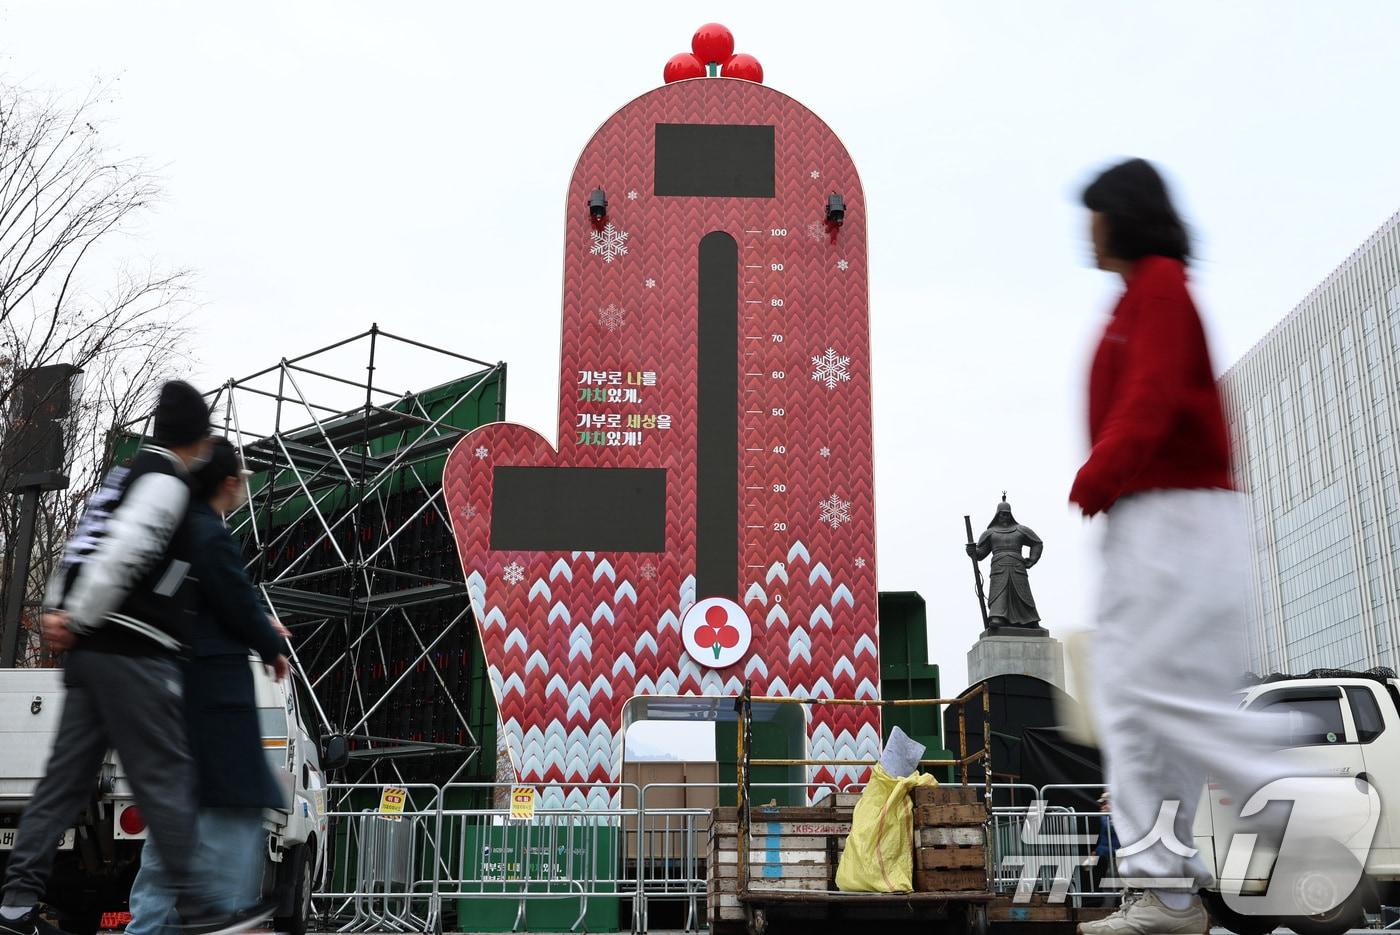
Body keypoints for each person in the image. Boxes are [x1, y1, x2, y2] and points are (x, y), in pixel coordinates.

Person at [1070, 159, 1285, 935]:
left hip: (1173, 513)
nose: (1085, 230)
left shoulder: (1159, 285)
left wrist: (1099, 473)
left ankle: (1298, 800)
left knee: (1156, 698)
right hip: (1148, 518)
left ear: (1122, 216)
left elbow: (1152, 394)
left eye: (1094, 213)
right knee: (1132, 711)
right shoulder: (1137, 295)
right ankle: (1163, 894)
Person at [0, 382, 216, 935]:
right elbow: (125, 551)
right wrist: (84, 613)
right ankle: (206, 914)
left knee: (62, 783)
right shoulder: (165, 483)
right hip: (132, 649)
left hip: (90, 655)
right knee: (165, 780)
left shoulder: (121, 478)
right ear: (197, 437)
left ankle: (17, 904)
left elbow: (82, 543)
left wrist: (59, 611)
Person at [126, 438, 291, 935]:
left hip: (174, 708)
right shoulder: (210, 535)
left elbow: (208, 601)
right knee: (231, 826)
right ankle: (217, 917)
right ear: (227, 482)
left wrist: (254, 623)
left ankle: (149, 927)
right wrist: (266, 640)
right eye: (241, 477)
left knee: (169, 840)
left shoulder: (172, 531)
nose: (244, 485)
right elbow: (233, 592)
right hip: (217, 710)